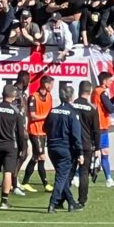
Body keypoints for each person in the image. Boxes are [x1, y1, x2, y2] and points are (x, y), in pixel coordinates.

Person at [43, 85, 84, 213]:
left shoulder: (53, 111)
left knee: (63, 176)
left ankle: (71, 203)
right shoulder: (72, 113)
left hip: (52, 148)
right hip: (65, 149)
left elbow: (45, 128)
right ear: (72, 97)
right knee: (61, 177)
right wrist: (80, 152)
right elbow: (76, 135)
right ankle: (53, 203)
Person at [91, 72, 114, 187]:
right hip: (100, 126)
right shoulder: (101, 92)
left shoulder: (98, 91)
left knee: (103, 152)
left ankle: (109, 179)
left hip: (102, 126)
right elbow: (111, 109)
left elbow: (105, 106)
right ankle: (77, 176)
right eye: (110, 80)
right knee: (96, 154)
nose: (112, 82)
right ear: (104, 81)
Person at [20, 75, 54, 193]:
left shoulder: (49, 96)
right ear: (46, 84)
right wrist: (47, 117)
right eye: (51, 84)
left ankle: (25, 182)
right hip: (35, 131)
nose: (53, 87)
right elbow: (33, 116)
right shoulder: (33, 97)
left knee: (35, 157)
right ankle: (46, 184)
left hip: (44, 131)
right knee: (41, 156)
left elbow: (51, 111)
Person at [71, 81, 101, 208]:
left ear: (79, 90)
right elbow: (96, 130)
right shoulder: (92, 108)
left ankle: (61, 198)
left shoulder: (71, 106)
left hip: (72, 143)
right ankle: (82, 200)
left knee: (68, 172)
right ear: (89, 92)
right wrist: (97, 147)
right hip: (86, 144)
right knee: (84, 173)